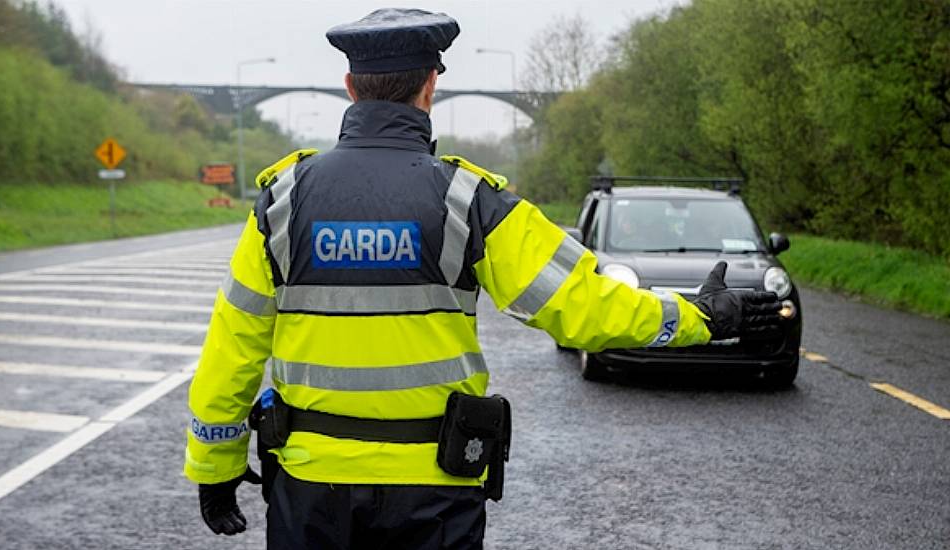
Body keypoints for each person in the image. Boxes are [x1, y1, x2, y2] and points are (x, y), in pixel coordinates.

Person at [184, 8, 782, 550]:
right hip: (435, 491)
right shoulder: (468, 202)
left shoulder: (281, 203)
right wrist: (702, 318)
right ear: (430, 87)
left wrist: (214, 465)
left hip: (309, 488)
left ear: (350, 88)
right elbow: (583, 307)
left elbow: (232, 346)